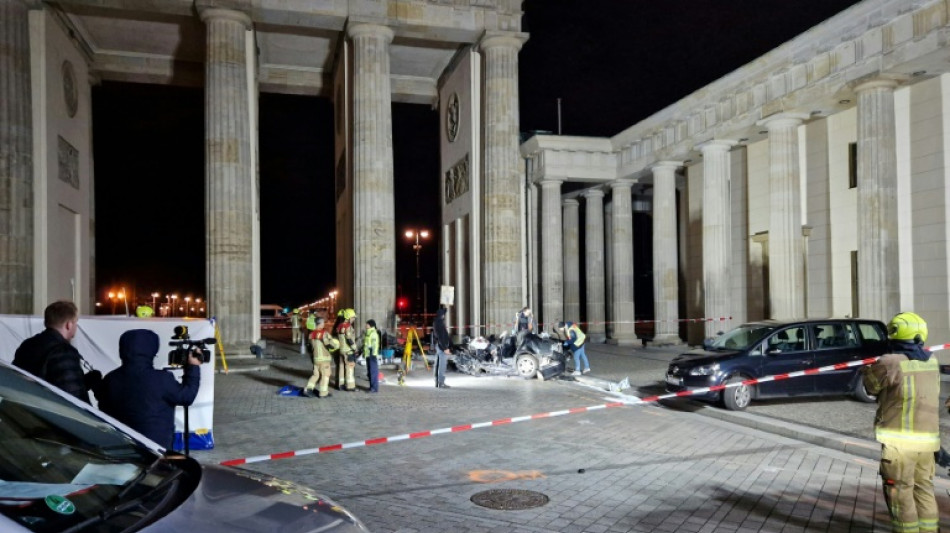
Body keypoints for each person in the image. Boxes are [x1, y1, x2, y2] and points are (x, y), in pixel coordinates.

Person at [861, 311, 940, 533]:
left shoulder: (889, 362)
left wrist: (867, 370)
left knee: (900, 493)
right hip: (927, 442)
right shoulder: (932, 361)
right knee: (924, 489)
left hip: (900, 444)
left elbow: (871, 387)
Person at [97, 329, 201, 450]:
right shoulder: (161, 378)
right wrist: (193, 367)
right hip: (155, 449)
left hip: (121, 447)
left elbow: (103, 405)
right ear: (152, 351)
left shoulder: (111, 378)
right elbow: (186, 397)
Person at [13, 300, 101, 404]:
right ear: (69, 325)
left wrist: (84, 381)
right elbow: (73, 397)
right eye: (75, 322)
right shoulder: (64, 352)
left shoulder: (27, 345)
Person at [303, 317, 336, 398]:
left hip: (315, 359)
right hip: (324, 359)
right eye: (323, 322)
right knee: (325, 375)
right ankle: (323, 393)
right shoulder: (325, 333)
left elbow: (309, 347)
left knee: (315, 375)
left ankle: (308, 389)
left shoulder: (311, 334)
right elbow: (331, 345)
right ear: (321, 323)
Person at [333, 308, 358, 391]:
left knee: (341, 367)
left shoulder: (339, 326)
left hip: (341, 350)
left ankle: (340, 385)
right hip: (348, 351)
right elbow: (349, 339)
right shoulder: (348, 327)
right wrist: (355, 348)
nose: (354, 319)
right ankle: (350, 386)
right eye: (353, 317)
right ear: (349, 317)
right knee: (349, 368)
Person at [432, 305, 451, 389]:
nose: (444, 316)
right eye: (443, 314)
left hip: (439, 345)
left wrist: (445, 307)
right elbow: (441, 336)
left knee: (438, 364)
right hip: (441, 346)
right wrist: (445, 348)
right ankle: (441, 383)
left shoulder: (437, 321)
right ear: (441, 315)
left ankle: (437, 382)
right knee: (442, 365)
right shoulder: (439, 323)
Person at [363, 319, 381, 393]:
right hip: (368, 354)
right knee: (369, 371)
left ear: (370, 325)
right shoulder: (368, 333)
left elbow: (374, 345)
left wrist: (373, 354)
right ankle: (371, 387)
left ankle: (374, 388)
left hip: (372, 355)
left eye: (367, 324)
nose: (365, 325)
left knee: (373, 371)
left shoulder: (373, 333)